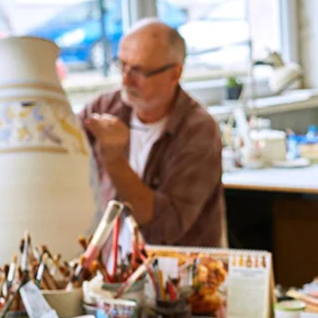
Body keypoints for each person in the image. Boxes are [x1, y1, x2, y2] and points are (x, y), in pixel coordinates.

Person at [79, 18, 224, 247]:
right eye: (122, 65)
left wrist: (114, 160)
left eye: (138, 70)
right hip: (107, 272)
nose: (125, 80)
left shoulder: (198, 130)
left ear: (174, 74)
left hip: (174, 274)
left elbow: (164, 227)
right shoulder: (104, 108)